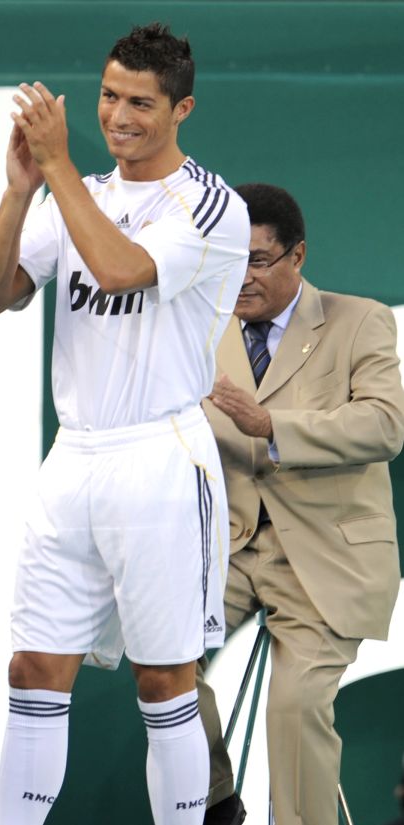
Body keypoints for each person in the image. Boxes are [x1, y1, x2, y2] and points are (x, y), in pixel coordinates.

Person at [0, 22, 251, 825]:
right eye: (107, 95)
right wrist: (22, 188)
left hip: (161, 455)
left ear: (181, 108)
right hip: (74, 455)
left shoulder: (209, 205)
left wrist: (57, 171)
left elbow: (124, 270)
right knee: (32, 666)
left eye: (140, 102)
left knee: (165, 679)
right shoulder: (74, 191)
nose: (117, 115)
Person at [196, 183, 404, 825]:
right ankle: (214, 800)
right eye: (227, 260)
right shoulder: (199, 327)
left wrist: (271, 425)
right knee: (158, 664)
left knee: (293, 707)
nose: (241, 279)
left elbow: (384, 425)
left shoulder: (360, 320)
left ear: (298, 256)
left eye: (256, 261)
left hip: (324, 556)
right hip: (225, 550)